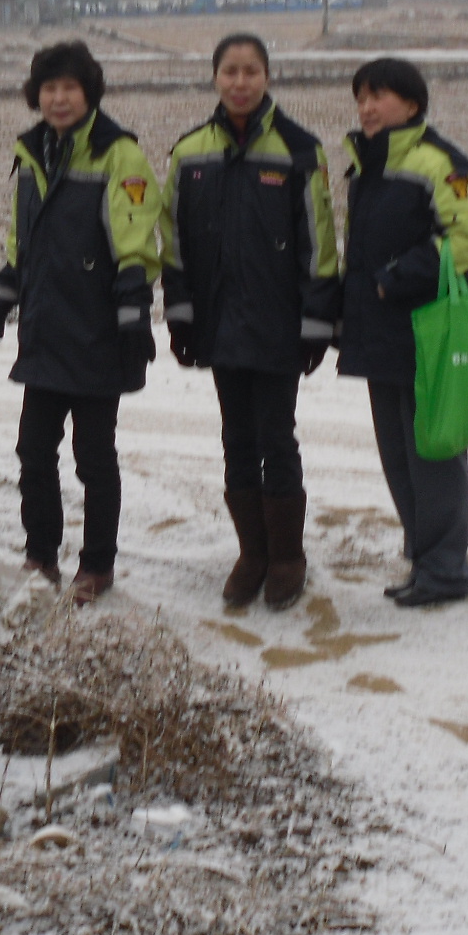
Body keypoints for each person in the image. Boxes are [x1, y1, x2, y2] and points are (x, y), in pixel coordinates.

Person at [158, 33, 340, 610]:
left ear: (267, 76)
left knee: (276, 438)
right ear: (215, 77)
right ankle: (251, 553)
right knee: (235, 438)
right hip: (217, 322)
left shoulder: (299, 149)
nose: (240, 83)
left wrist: (317, 320)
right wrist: (180, 315)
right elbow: (173, 242)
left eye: (251, 71)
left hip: (278, 323)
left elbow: (320, 243)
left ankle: (287, 557)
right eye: (230, 71)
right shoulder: (189, 153)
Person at [0, 40, 160, 606]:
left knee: (94, 458)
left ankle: (97, 565)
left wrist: (133, 314)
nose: (59, 99)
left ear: (89, 93)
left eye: (70, 88)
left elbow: (135, 241)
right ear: (37, 95)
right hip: (45, 329)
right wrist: (4, 298)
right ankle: (40, 555)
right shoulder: (33, 152)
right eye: (49, 88)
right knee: (33, 452)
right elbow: (23, 238)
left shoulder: (118, 155)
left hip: (98, 332)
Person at [336, 57, 468, 609]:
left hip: (427, 330)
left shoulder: (438, 163)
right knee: (399, 456)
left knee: (434, 454)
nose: (367, 108)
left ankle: (445, 570)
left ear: (413, 105)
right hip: (381, 333)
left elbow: (466, 238)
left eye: (379, 96)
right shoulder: (368, 165)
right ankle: (425, 559)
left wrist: (394, 279)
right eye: (361, 98)